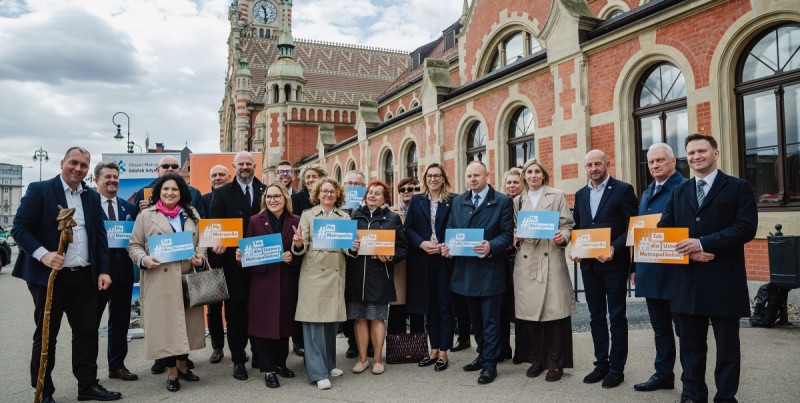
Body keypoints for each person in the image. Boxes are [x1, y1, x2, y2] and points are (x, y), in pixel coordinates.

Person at [12, 147, 122, 402]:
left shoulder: (91, 198)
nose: (78, 169)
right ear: (62, 163)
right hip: (49, 278)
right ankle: (44, 389)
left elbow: (99, 237)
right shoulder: (40, 190)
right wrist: (43, 254)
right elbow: (20, 229)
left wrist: (103, 270)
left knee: (87, 333)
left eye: (84, 165)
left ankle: (87, 386)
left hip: (84, 277)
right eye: (74, 163)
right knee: (47, 335)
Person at [659, 133, 757, 403]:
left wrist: (702, 244)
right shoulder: (679, 190)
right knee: (690, 346)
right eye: (690, 153)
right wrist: (690, 255)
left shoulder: (738, 187)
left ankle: (726, 397)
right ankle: (693, 394)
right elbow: (665, 229)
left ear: (716, 153)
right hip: (687, 281)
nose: (695, 157)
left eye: (701, 151)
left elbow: (745, 228)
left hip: (724, 279)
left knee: (727, 347)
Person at [127, 173, 206, 392]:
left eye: (175, 190)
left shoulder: (192, 214)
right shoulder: (146, 215)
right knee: (166, 325)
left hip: (186, 276)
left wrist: (200, 258)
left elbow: (201, 242)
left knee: (186, 323)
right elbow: (134, 245)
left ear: (181, 193)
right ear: (158, 193)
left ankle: (183, 364)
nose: (170, 193)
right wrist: (144, 259)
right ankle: (171, 371)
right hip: (159, 278)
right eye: (166, 190)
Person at [442, 160, 515, 385]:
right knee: (476, 320)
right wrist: (448, 247)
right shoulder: (458, 201)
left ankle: (490, 364)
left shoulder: (502, 201)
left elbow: (506, 234)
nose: (472, 179)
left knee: (490, 319)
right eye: (469, 176)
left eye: (476, 175)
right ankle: (482, 355)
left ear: (487, 176)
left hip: (490, 270)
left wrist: (491, 246)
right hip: (466, 271)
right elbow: (453, 230)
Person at [570, 149, 638, 389]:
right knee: (596, 316)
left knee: (617, 316)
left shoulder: (623, 190)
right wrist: (575, 247)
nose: (594, 169)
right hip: (589, 266)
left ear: (607, 163)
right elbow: (579, 226)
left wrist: (614, 248)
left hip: (614, 264)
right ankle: (601, 364)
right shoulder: (580, 194)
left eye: (598, 164)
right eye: (589, 165)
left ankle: (617, 369)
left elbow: (632, 227)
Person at [512, 158, 576, 382]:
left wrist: (563, 236)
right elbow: (514, 229)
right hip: (527, 261)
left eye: (537, 171)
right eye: (529, 172)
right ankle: (536, 360)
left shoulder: (556, 195)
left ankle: (556, 363)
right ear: (524, 176)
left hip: (550, 260)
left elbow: (567, 223)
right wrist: (516, 238)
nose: (533, 175)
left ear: (543, 175)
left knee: (554, 315)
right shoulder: (518, 200)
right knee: (530, 316)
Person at [631, 143, 686, 392]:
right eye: (651, 161)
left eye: (660, 160)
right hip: (651, 271)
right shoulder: (646, 192)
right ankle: (664, 373)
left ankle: (690, 380)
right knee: (660, 329)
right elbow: (638, 235)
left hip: (677, 272)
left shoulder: (684, 188)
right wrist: (633, 267)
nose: (655, 165)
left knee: (686, 332)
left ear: (673, 161)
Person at [235, 183, 301, 389]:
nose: (273, 200)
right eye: (269, 197)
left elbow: (302, 253)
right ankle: (268, 370)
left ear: (285, 199)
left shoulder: (296, 221)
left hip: (286, 281)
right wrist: (240, 256)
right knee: (263, 327)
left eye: (277, 196)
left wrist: (295, 252)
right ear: (265, 200)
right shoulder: (255, 220)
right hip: (263, 282)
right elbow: (248, 251)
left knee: (284, 325)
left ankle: (280, 363)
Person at [208, 151, 266, 381]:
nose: (244, 167)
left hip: (262, 262)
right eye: (240, 163)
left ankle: (260, 354)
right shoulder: (222, 194)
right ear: (234, 166)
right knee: (236, 314)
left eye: (248, 163)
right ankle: (239, 359)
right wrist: (216, 247)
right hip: (233, 266)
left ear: (254, 166)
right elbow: (215, 227)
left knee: (260, 311)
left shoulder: (266, 191)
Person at [291, 178, 352, 390]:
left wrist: (353, 246)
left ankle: (329, 363)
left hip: (335, 274)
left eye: (332, 191)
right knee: (314, 324)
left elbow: (348, 248)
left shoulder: (344, 216)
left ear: (338, 195)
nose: (328, 194)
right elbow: (301, 244)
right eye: (324, 191)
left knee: (330, 323)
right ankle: (318, 372)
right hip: (314, 274)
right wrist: (298, 243)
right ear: (318, 194)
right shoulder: (307, 215)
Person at [347, 181, 408, 375]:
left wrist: (390, 256)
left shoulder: (392, 218)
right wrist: (351, 248)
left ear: (385, 198)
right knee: (359, 318)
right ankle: (362, 359)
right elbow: (345, 244)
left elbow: (402, 248)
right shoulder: (354, 216)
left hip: (380, 276)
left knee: (377, 318)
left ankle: (378, 360)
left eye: (377, 194)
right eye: (370, 193)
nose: (372, 196)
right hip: (356, 275)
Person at [405, 164, 457, 371]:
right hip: (423, 259)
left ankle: (444, 351)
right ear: (425, 179)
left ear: (443, 179)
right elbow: (408, 228)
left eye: (437, 176)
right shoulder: (417, 200)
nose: (433, 179)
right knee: (429, 306)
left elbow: (458, 227)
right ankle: (433, 348)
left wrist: (447, 244)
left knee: (444, 305)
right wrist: (421, 243)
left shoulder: (453, 200)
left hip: (444, 258)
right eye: (429, 176)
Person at [93, 161, 139, 382]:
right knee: (90, 324)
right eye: (107, 177)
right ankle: (88, 373)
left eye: (115, 177)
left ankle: (117, 366)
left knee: (120, 322)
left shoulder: (128, 208)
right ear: (97, 180)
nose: (112, 181)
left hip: (123, 273)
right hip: (96, 275)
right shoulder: (88, 205)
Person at [387, 177, 425, 336]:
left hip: (419, 260)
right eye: (403, 189)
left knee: (417, 304)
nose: (407, 192)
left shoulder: (424, 210)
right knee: (397, 304)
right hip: (399, 263)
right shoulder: (391, 212)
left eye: (411, 189)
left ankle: (417, 344)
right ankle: (397, 345)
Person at [202, 164, 231, 364]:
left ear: (229, 177)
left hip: (235, 261)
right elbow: (198, 227)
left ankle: (238, 346)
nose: (218, 178)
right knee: (214, 308)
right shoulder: (202, 200)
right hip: (212, 261)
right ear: (210, 178)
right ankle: (217, 347)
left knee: (235, 307)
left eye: (222, 174)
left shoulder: (235, 197)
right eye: (214, 175)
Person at [339, 169, 370, 359]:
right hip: (342, 261)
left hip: (363, 262)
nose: (353, 187)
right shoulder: (337, 207)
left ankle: (366, 343)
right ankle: (352, 341)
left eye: (357, 184)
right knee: (346, 302)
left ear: (364, 187)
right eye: (350, 183)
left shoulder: (369, 206)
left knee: (362, 302)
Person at [133, 155, 205, 219]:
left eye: (174, 166)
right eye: (165, 166)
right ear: (158, 170)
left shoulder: (195, 193)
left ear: (179, 170)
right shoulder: (142, 193)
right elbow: (136, 222)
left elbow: (200, 222)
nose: (170, 169)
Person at [501, 167, 523, 363]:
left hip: (522, 260)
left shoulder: (526, 204)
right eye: (509, 182)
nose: (512, 186)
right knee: (503, 306)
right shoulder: (501, 203)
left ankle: (521, 349)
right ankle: (504, 348)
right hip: (503, 260)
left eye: (516, 182)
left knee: (521, 307)